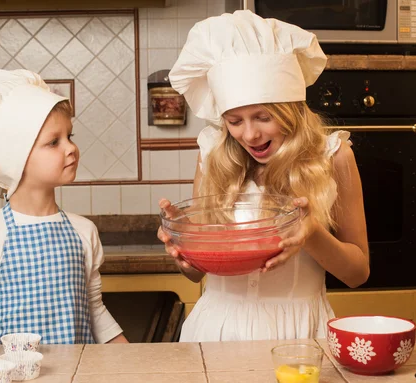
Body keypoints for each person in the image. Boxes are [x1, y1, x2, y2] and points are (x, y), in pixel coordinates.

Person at [157, 10, 369, 342]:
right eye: (234, 120)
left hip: (299, 333)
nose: (250, 134)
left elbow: (358, 273)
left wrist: (311, 233)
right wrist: (184, 250)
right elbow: (196, 275)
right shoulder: (212, 155)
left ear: (291, 108)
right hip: (216, 330)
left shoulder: (334, 156)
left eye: (263, 116)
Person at [0, 69, 127, 348]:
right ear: (14, 159)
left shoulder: (83, 231)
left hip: (79, 378)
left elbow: (94, 309)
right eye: (54, 142)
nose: (71, 148)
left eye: (70, 136)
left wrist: (130, 356)